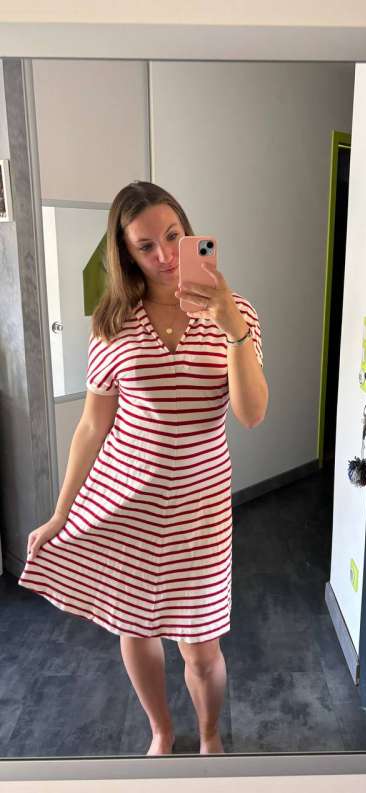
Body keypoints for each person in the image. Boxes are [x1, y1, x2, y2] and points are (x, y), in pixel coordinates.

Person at [18, 181, 269, 756]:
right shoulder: (112, 323)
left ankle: (209, 735)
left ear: (190, 231)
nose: (165, 255)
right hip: (124, 501)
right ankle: (161, 731)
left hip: (201, 509)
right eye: (146, 246)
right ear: (126, 253)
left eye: (174, 236)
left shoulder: (238, 314)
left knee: (201, 647)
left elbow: (251, 414)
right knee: (135, 628)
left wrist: (231, 324)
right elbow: (92, 427)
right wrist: (61, 513)